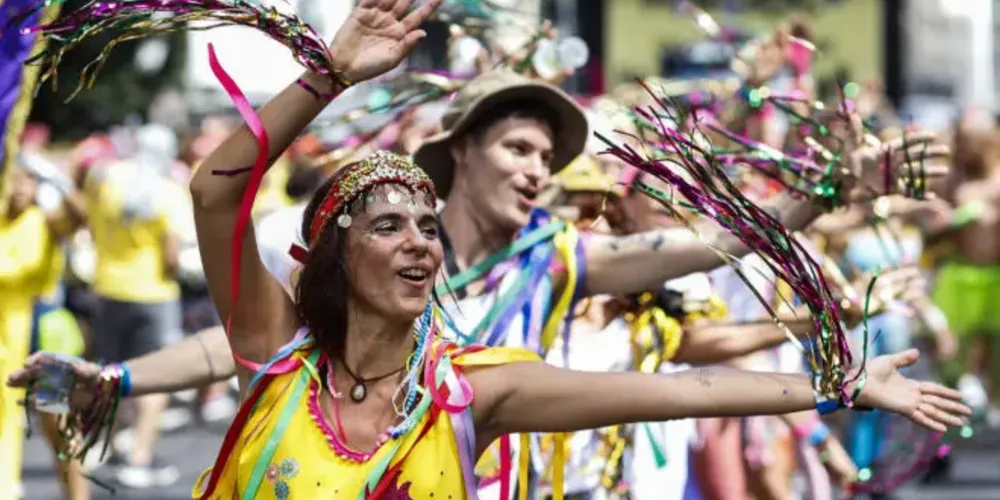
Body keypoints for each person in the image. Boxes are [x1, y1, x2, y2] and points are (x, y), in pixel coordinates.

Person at [9, 4, 970, 500]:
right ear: (459, 149)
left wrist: (837, 376)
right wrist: (329, 73)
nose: (420, 240)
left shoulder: (503, 347)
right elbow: (221, 235)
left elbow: (692, 374)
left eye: (424, 227)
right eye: (516, 145)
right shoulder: (286, 356)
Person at [84, 123, 189, 487]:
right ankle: (139, 458)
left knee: (109, 372)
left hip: (108, 286)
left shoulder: (107, 179)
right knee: (155, 378)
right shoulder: (169, 189)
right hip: (154, 294)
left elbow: (92, 225)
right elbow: (172, 255)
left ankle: (104, 446)